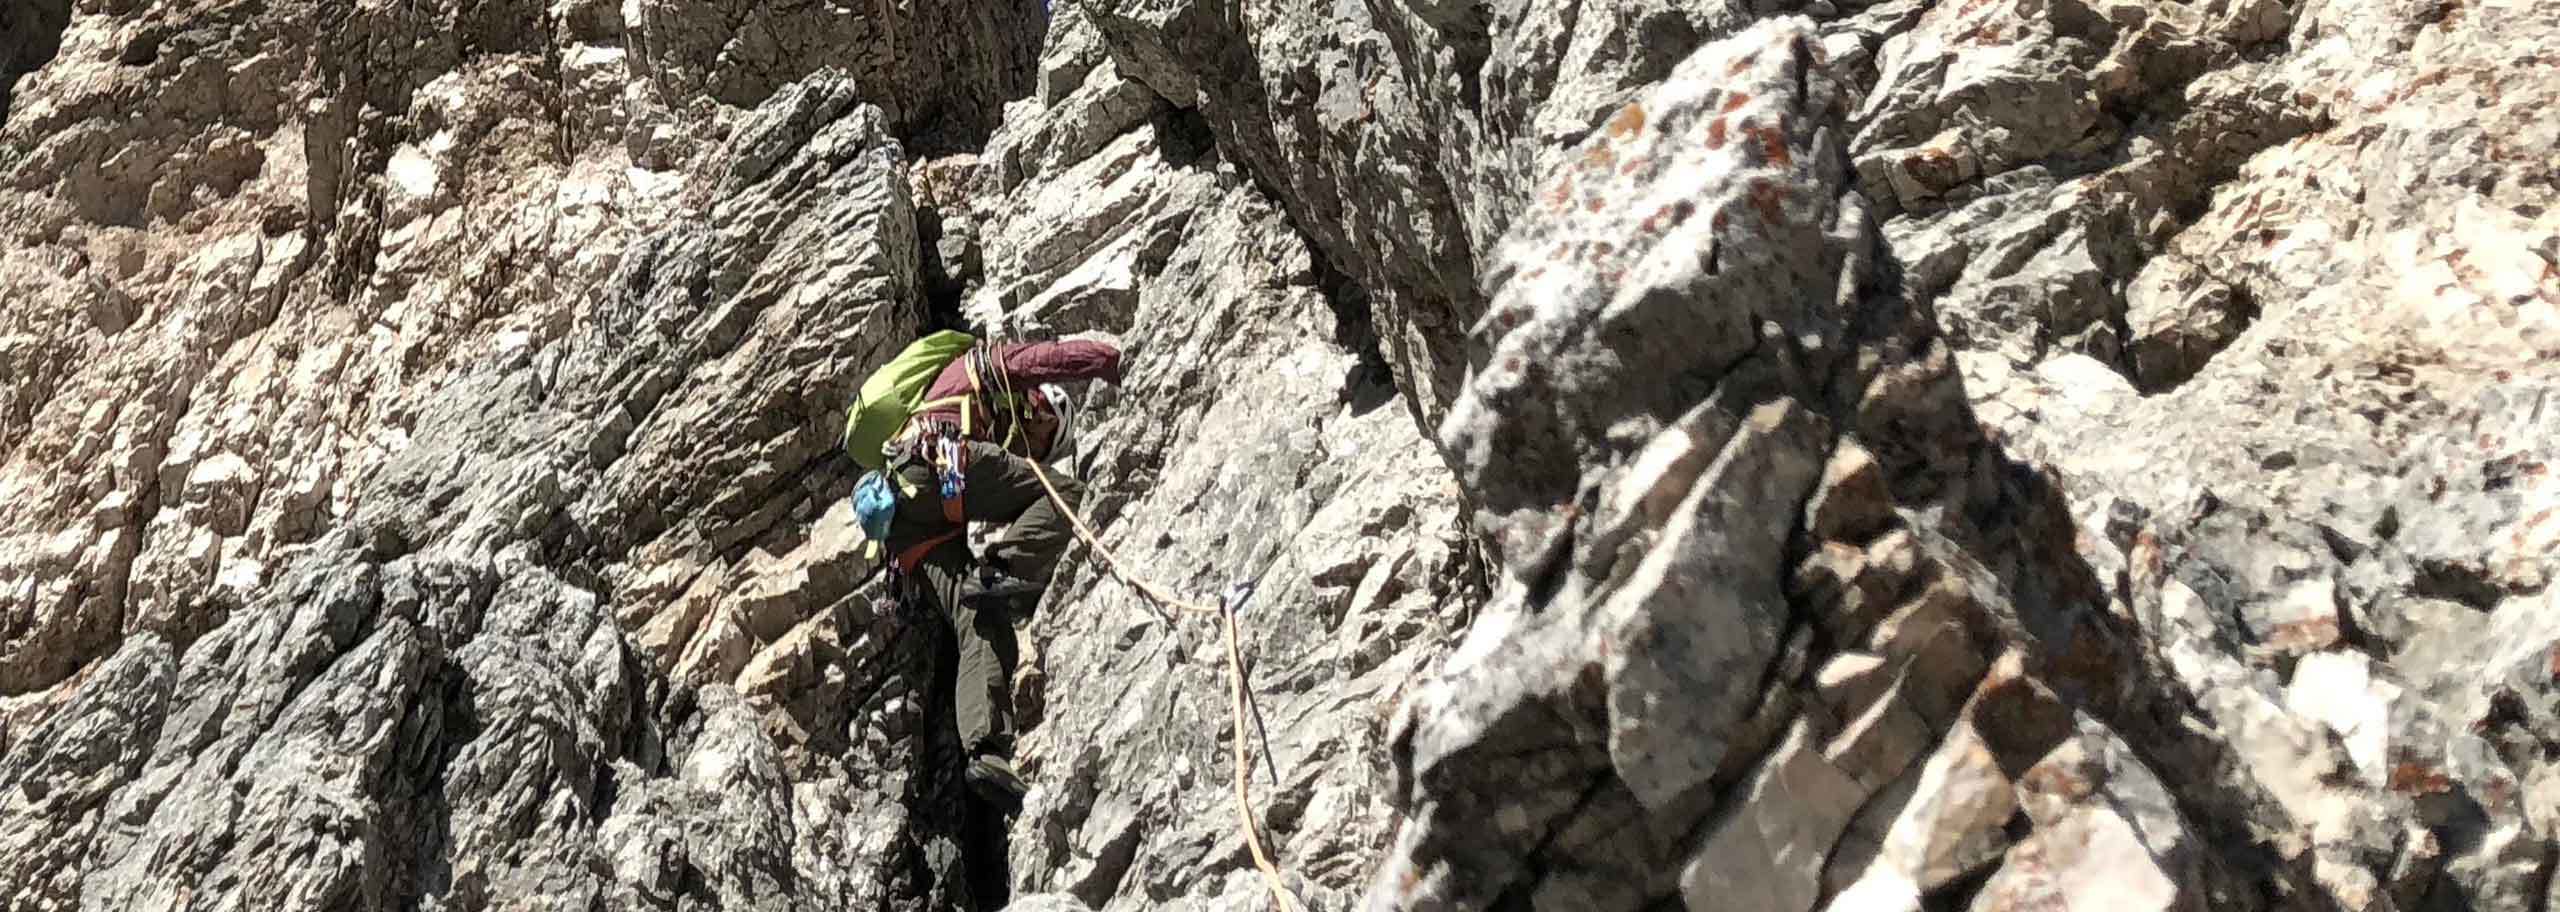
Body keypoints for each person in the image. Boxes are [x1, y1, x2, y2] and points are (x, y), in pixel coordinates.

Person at [881, 337, 1122, 807]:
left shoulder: (981, 413)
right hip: (941, 462)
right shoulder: (989, 366)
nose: (1034, 450)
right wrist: (1112, 361)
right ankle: (999, 571)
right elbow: (1050, 358)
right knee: (1064, 494)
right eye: (1045, 441)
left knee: (980, 621)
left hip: (910, 525)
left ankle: (984, 751)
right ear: (1046, 411)